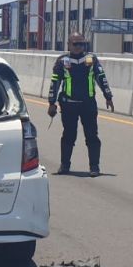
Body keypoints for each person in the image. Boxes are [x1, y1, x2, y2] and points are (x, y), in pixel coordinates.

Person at [47, 33, 114, 177]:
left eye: (81, 44)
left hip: (88, 105)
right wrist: (51, 103)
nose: (78, 47)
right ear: (69, 45)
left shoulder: (91, 59)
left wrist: (108, 96)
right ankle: (65, 165)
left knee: (92, 136)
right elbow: (55, 82)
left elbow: (101, 78)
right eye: (75, 44)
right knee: (69, 135)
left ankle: (94, 167)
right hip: (68, 105)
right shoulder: (62, 61)